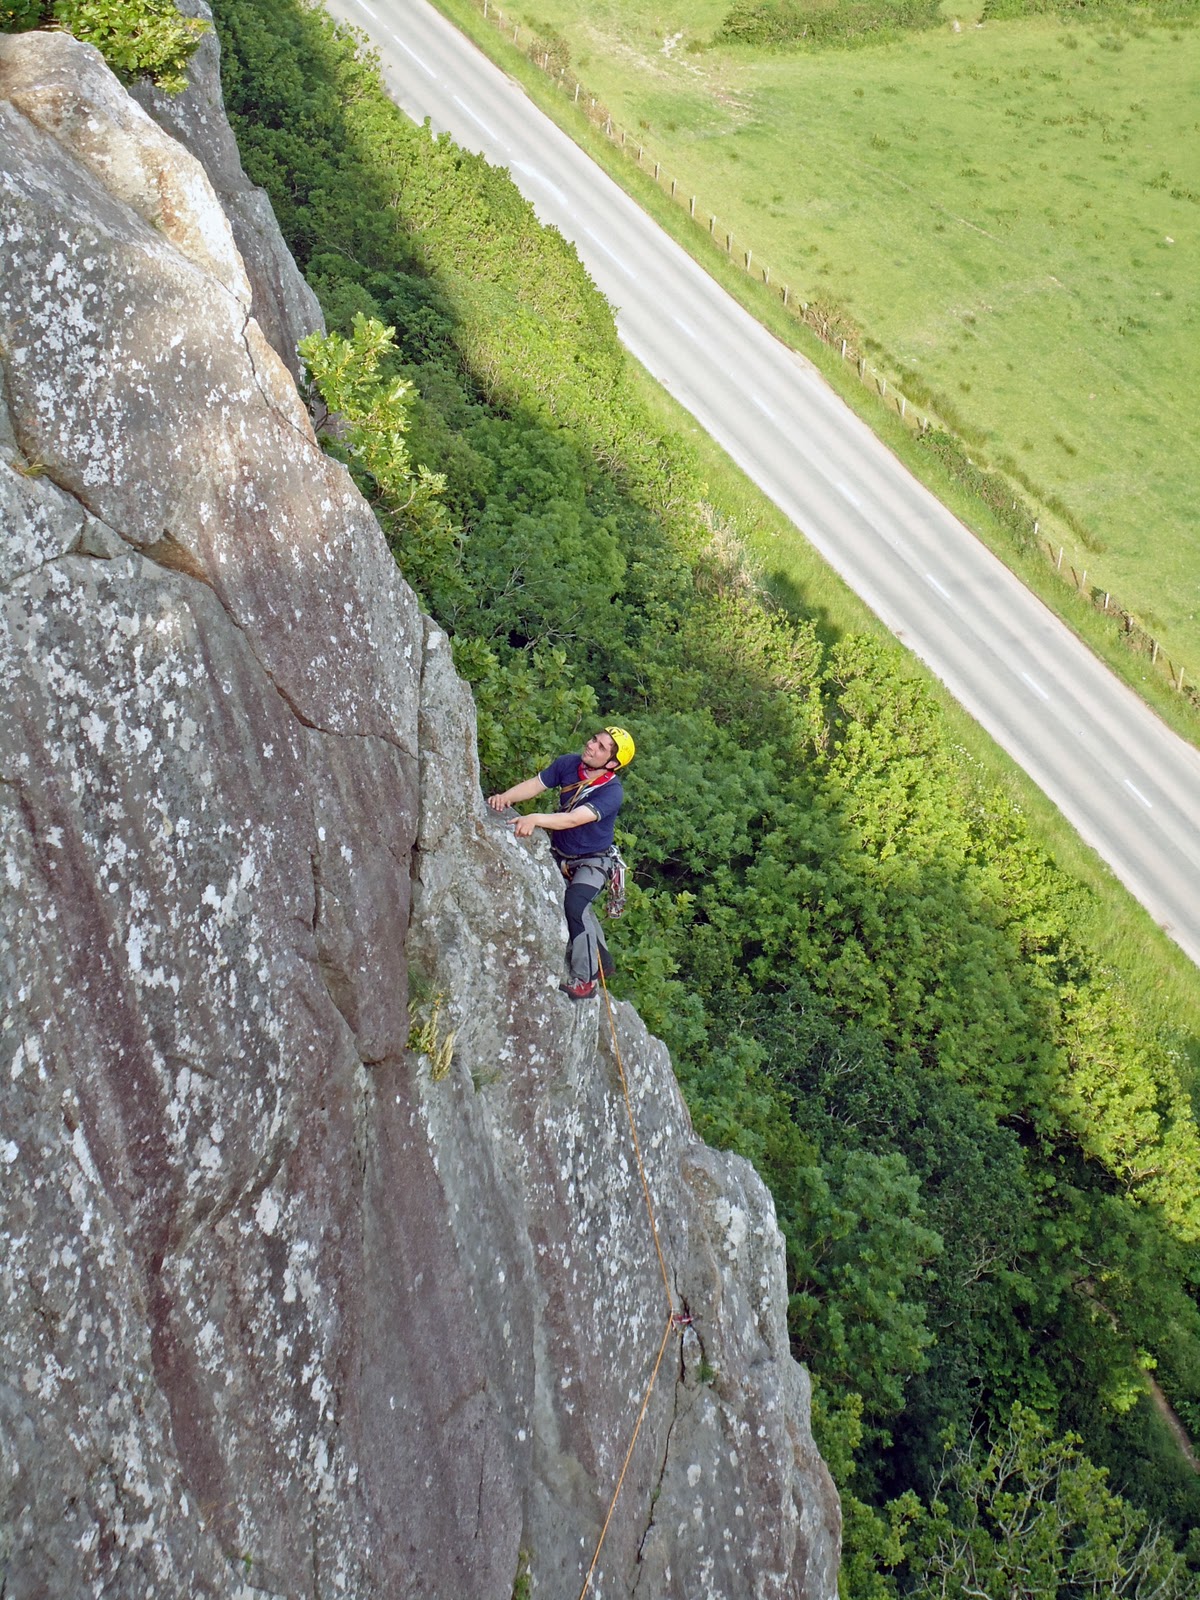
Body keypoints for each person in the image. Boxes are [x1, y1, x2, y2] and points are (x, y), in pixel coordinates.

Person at [487, 726, 635, 999]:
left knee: (576, 904)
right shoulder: (568, 764)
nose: (591, 746)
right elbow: (536, 784)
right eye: (594, 739)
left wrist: (534, 818)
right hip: (561, 852)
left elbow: (573, 819)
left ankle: (586, 980)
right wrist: (505, 797)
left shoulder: (611, 792)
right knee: (573, 904)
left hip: (593, 861)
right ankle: (601, 956)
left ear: (612, 764)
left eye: (601, 747)